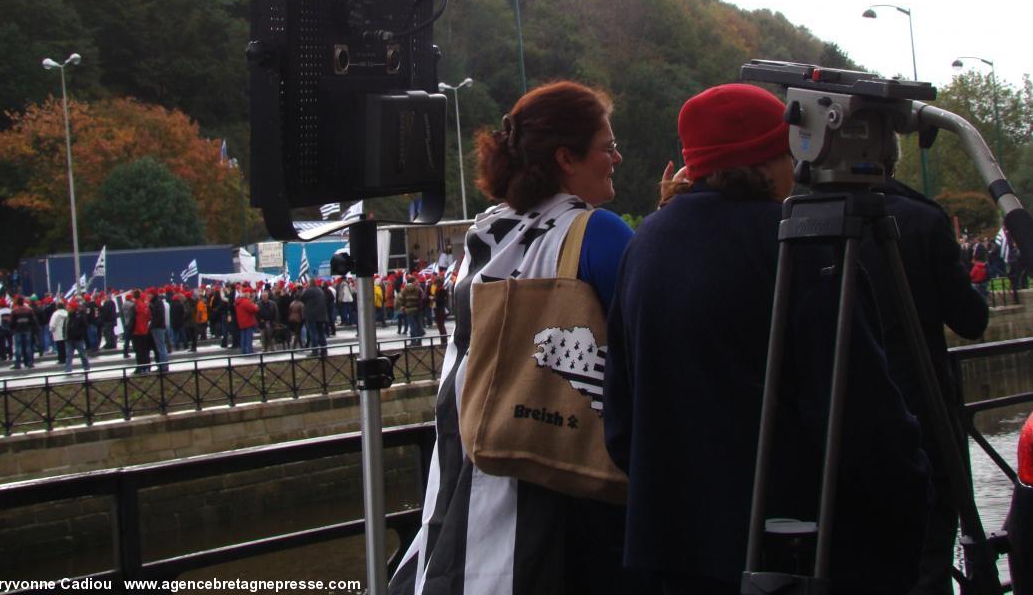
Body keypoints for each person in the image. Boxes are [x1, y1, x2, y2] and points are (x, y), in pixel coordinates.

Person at [604, 83, 930, 595]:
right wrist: (911, 491)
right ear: (769, 157)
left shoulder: (645, 243)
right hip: (792, 551)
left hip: (673, 551)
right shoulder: (799, 243)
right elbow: (857, 417)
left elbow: (620, 421)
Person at [390, 80, 636, 595]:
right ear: (566, 158)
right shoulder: (596, 232)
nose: (616, 157)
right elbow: (658, 331)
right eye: (607, 146)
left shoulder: (484, 237)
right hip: (569, 485)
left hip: (470, 477)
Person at [860, 171, 989, 595]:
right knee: (930, 547)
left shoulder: (804, 219)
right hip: (922, 406)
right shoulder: (920, 220)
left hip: (840, 419)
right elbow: (970, 320)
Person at [64, 299, 91, 374]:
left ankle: (86, 367)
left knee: (82, 354)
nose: (67, 308)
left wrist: (80, 334)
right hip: (69, 339)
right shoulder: (68, 317)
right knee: (69, 355)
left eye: (69, 307)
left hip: (78, 339)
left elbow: (85, 326)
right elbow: (66, 327)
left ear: (73, 308)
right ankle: (68, 369)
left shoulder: (79, 317)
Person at [234, 285, 259, 355]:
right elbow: (254, 309)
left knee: (243, 337)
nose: (249, 294)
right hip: (248, 322)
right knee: (249, 338)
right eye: (248, 293)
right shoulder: (245, 301)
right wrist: (256, 306)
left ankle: (243, 350)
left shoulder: (238, 301)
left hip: (241, 322)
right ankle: (249, 350)